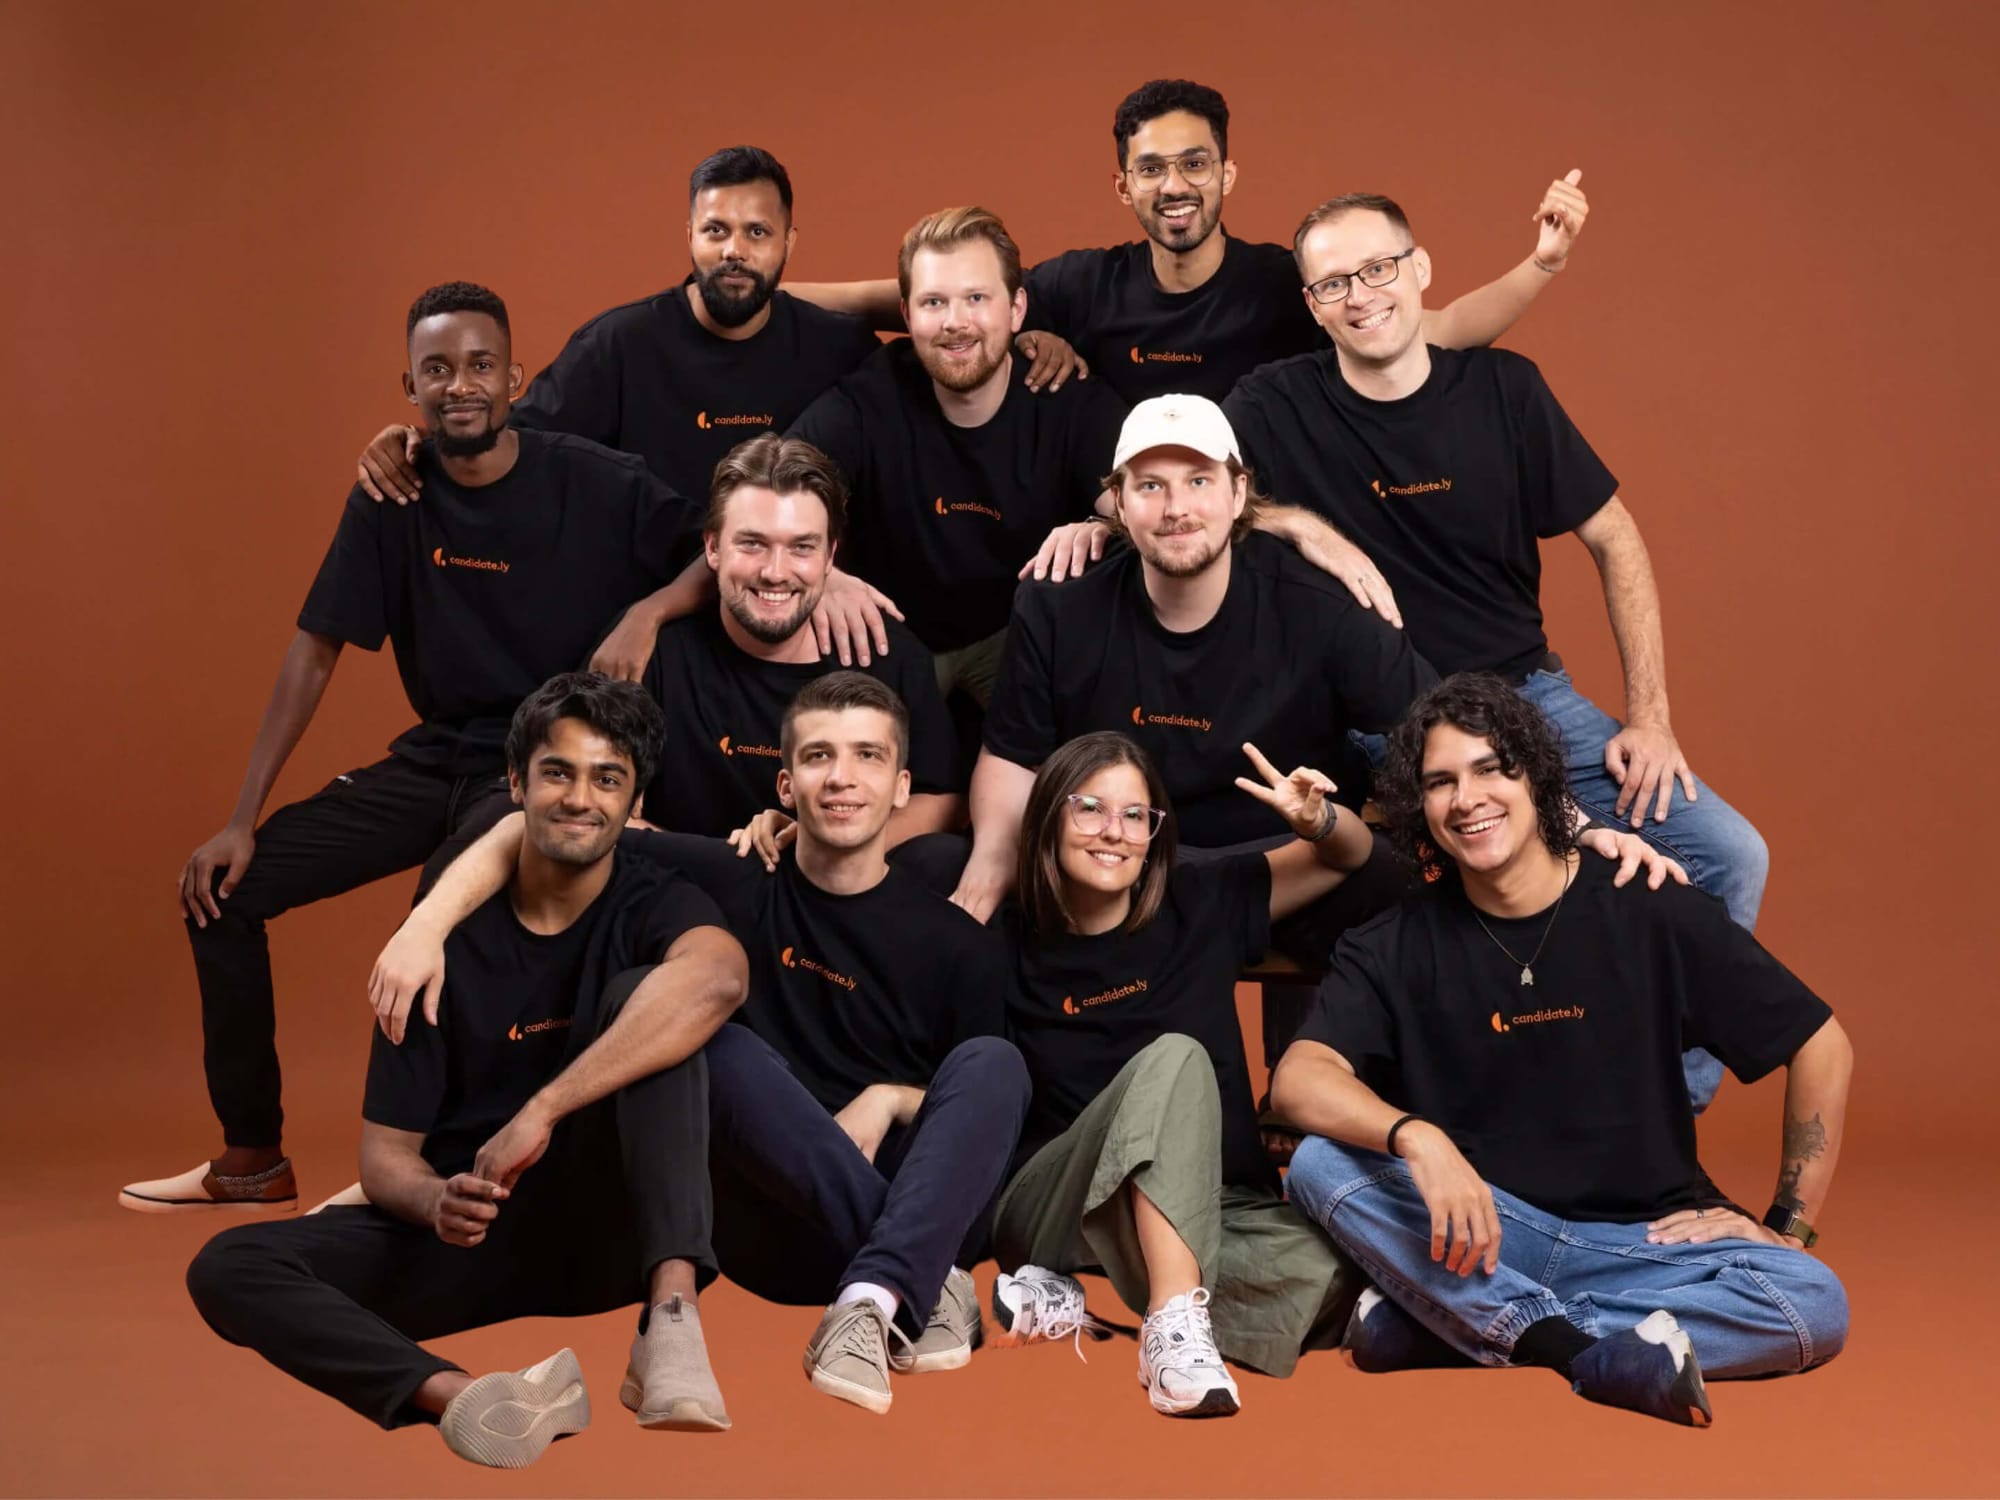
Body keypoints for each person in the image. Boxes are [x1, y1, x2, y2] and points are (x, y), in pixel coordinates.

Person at [127, 284, 697, 1214]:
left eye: (480, 366)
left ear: (516, 378)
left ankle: (405, 1164)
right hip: (436, 755)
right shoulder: (392, 497)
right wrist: (241, 820)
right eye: (437, 370)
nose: (459, 385)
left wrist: (650, 608)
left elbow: (714, 547)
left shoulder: (596, 480)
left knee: (442, 913)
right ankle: (252, 1153)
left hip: (537, 768)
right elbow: (314, 651)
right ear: (410, 386)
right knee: (223, 895)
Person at [976, 730, 1683, 1418]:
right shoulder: (1002, 944)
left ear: (1157, 832)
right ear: (1049, 818)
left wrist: (1319, 821)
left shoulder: (1199, 900)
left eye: (1136, 815)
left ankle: (1084, 1297)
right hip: (1064, 1200)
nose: (1114, 831)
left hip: (1219, 1205)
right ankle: (1168, 1321)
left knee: (1362, 1277)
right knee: (1174, 1057)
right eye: (1089, 808)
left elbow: (1360, 865)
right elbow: (971, 1091)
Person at [379, 672, 1029, 1417]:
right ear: (785, 784)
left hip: (925, 1204)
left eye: (867, 758)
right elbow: (537, 820)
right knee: (704, 1042)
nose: (842, 779)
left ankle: (878, 1294)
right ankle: (917, 1280)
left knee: (995, 1063)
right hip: (781, 1225)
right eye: (819, 757)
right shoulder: (732, 880)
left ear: (902, 784)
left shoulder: (957, 942)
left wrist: (884, 1100)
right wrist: (424, 926)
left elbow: (981, 1114)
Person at [184, 674, 749, 1468]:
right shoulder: (437, 951)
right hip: (476, 1231)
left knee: (654, 1007)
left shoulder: (657, 900)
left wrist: (543, 1109)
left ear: (634, 800)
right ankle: (475, 1398)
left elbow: (718, 979)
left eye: (607, 779)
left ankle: (673, 1322)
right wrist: (435, 1198)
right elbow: (384, 1157)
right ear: (516, 783)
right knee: (229, 1266)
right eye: (558, 772)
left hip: (616, 1226)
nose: (579, 798)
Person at [1273, 674, 1851, 1428]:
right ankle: (1590, 1351)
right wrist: (1421, 1140)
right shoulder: (1394, 943)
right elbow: (1298, 1078)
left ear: (1536, 778)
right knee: (1322, 1163)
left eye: (1490, 769)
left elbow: (1821, 1043)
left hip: (1646, 1242)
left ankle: (1462, 1327)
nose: (1467, 798)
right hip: (1480, 1230)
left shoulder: (1647, 905)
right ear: (1422, 809)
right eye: (1441, 782)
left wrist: (1788, 1225)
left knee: (1811, 1301)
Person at [955, 395, 1433, 952]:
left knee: (1396, 878)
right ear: (1117, 503)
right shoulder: (1057, 603)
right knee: (941, 866)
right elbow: (1014, 754)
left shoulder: (1320, 606)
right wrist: (989, 864)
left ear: (1238, 495)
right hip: (1117, 858)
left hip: (1280, 867)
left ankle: (1323, 1040)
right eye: (1151, 486)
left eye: (1200, 482)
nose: (1175, 508)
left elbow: (1437, 729)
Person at [353, 147, 878, 515]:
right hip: (649, 617)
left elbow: (930, 358)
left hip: (793, 608)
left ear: (789, 242)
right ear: (689, 236)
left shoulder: (839, 345)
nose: (733, 250)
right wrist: (415, 442)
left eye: (757, 232)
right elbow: (516, 445)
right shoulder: (618, 346)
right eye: (715, 230)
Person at [1022, 79, 1591, 411]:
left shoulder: (1283, 283)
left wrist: (1544, 262)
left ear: (1227, 176)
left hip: (1256, 553)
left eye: (1195, 164)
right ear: (1124, 187)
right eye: (1150, 169)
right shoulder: (1079, 285)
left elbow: (1444, 329)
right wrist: (1031, 336)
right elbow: (963, 314)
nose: (1174, 186)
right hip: (1115, 546)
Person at [788, 206, 1130, 706]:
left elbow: (1162, 510)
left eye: (976, 298)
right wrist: (819, 572)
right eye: (933, 302)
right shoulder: (872, 395)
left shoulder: (1069, 399)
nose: (955, 322)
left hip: (1014, 639)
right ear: (906, 315)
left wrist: (1109, 529)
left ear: (1016, 310)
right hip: (891, 635)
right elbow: (770, 486)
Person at [635, 433, 960, 842]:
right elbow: (600, 805)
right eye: (752, 544)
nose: (775, 571)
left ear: (830, 558)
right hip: (687, 891)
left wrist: (814, 854)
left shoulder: (885, 653)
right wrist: (727, 875)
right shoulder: (655, 656)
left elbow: (940, 797)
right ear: (713, 548)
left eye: (801, 548)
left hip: (834, 890)